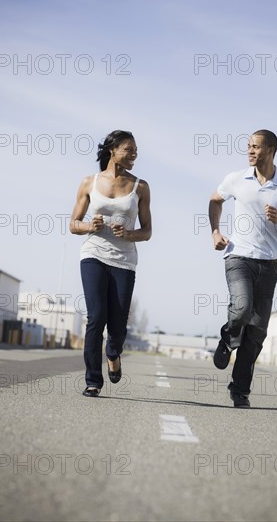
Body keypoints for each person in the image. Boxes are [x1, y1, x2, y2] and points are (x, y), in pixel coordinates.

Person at [208, 130, 277, 408]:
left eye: (256, 147)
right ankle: (227, 338)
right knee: (242, 308)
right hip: (239, 257)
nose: (250, 151)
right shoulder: (237, 178)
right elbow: (214, 201)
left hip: (270, 264)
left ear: (271, 150)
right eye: (248, 146)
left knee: (257, 331)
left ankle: (240, 390)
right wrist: (215, 232)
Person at [70, 130, 152, 397]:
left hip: (124, 261)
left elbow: (148, 230)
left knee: (117, 326)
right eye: (129, 149)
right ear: (113, 150)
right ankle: (93, 380)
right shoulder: (88, 182)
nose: (134, 154)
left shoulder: (140, 186)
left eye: (136, 150)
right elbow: (73, 224)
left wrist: (129, 234)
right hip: (93, 254)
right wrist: (88, 226)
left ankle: (113, 354)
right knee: (96, 318)